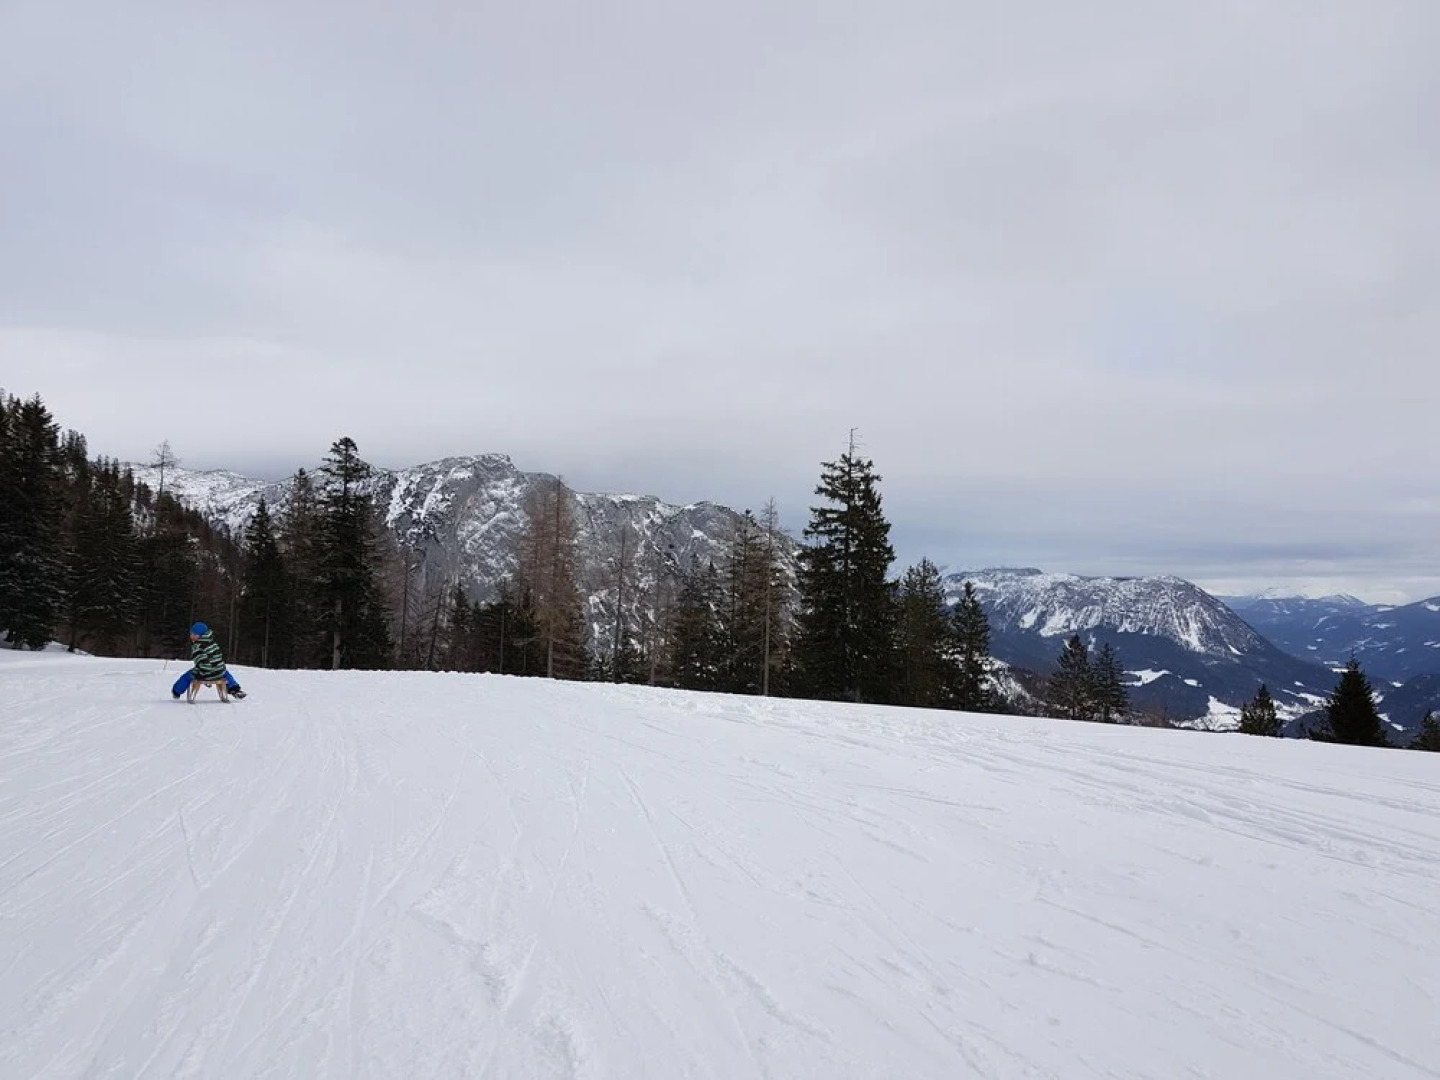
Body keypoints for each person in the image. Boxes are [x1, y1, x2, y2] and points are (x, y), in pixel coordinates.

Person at [171, 622, 246, 699]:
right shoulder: (213, 643)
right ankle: (234, 688)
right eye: (191, 634)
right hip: (218, 672)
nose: (191, 636)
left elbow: (199, 661)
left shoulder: (198, 646)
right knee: (225, 673)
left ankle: (176, 691)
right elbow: (219, 657)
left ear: (200, 635)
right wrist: (218, 667)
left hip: (204, 673)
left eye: (194, 634)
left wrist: (200, 671)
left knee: (186, 676)